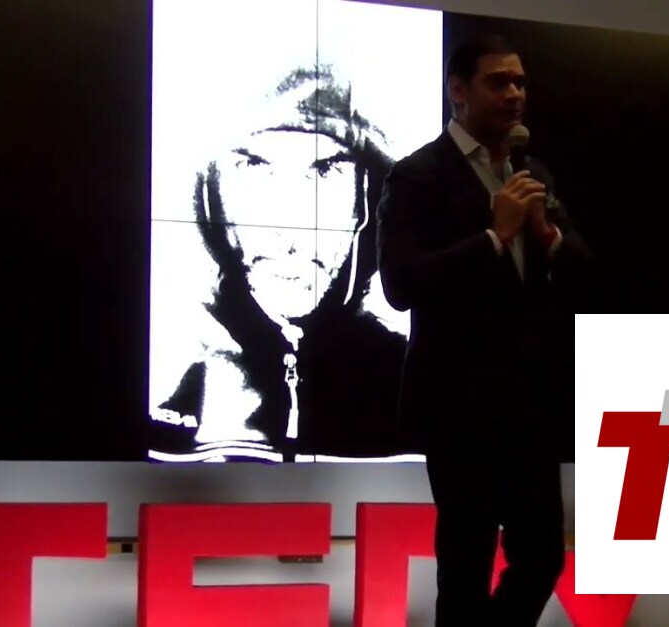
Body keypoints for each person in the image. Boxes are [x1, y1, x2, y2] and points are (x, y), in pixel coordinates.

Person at [376, 34, 594, 625]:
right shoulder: (417, 175)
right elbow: (400, 284)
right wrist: (493, 238)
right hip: (458, 408)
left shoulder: (532, 170)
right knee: (466, 570)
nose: (514, 94)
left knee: (542, 557)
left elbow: (584, 269)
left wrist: (547, 234)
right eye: (498, 82)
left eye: (520, 82)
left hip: (531, 408)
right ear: (458, 91)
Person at [148, 64, 413, 463]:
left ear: (366, 198)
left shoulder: (411, 384)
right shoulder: (172, 399)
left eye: (325, 170)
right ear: (209, 196)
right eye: (254, 167)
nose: (288, 226)